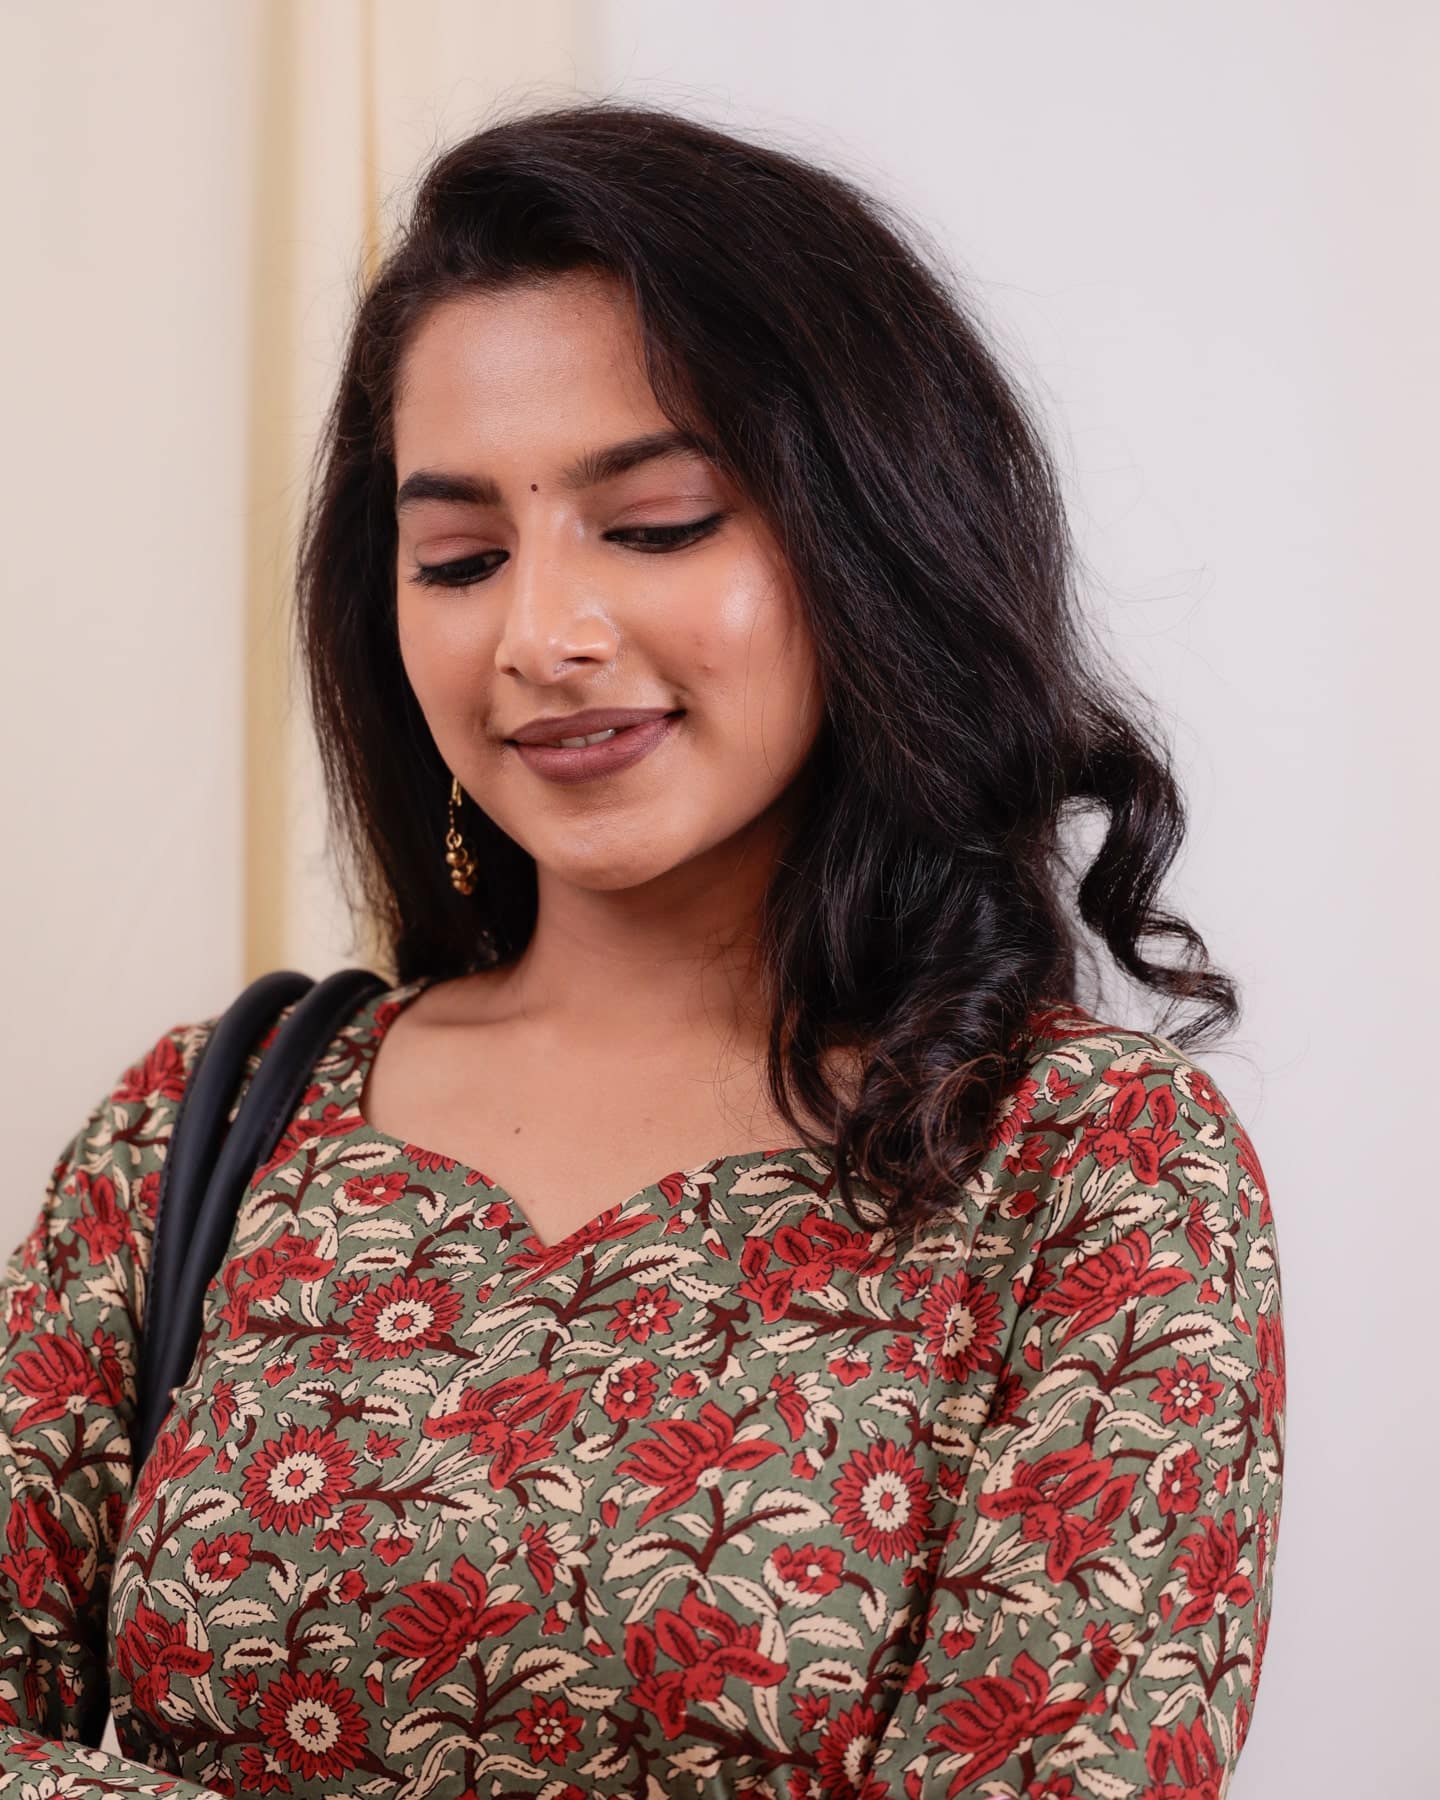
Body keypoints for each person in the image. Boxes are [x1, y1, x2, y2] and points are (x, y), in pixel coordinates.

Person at [0, 100, 1285, 1800]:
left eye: (659, 523)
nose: (541, 636)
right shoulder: (211, 1127)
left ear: (872, 542)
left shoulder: (1088, 1169)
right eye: (461, 558)